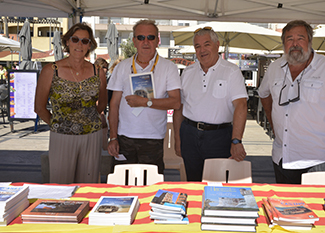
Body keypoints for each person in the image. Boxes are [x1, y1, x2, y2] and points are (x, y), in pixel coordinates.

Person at [258, 20, 325, 184]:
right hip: (281, 158)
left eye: (300, 38)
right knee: (284, 206)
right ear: (283, 43)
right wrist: (273, 124)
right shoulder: (275, 68)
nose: (295, 44)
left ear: (310, 42)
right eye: (289, 39)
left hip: (317, 161)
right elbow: (264, 94)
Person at [34, 22, 107, 184]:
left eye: (85, 41)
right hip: (61, 136)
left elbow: (102, 103)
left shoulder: (98, 72)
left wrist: (89, 119)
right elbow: (39, 107)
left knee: (88, 186)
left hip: (92, 136)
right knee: (61, 187)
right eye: (75, 39)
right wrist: (59, 124)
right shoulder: (51, 71)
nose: (79, 44)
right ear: (67, 42)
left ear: (90, 45)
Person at [173, 27, 248, 181]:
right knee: (193, 182)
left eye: (207, 44)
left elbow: (241, 106)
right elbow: (179, 108)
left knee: (218, 184)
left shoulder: (231, 71)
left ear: (217, 45)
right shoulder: (187, 72)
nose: (202, 50)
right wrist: (178, 139)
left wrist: (236, 140)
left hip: (219, 137)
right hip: (190, 134)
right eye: (197, 46)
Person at [107, 19, 181, 174]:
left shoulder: (169, 67)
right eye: (141, 38)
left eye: (151, 37)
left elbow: (175, 102)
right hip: (124, 137)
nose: (145, 42)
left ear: (158, 41)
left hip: (153, 138)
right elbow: (114, 105)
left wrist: (146, 102)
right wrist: (113, 137)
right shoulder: (121, 67)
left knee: (151, 188)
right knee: (122, 186)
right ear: (134, 41)